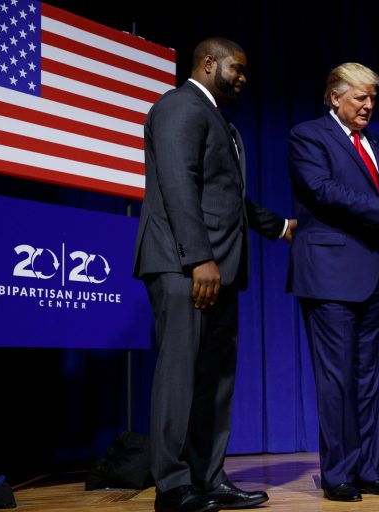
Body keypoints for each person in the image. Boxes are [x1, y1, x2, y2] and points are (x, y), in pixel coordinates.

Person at [133, 37, 296, 512]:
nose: (243, 78)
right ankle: (173, 486)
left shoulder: (218, 120)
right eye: (237, 69)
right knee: (180, 376)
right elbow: (178, 182)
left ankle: (209, 478)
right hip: (186, 265)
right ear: (209, 63)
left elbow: (225, 198)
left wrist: (281, 227)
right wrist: (197, 257)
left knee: (216, 379)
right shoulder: (179, 106)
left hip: (218, 268)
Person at [287, 63, 379, 502]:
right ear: (334, 97)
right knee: (337, 380)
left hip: (376, 274)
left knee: (367, 378)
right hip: (329, 277)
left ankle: (370, 471)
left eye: (372, 98)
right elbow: (321, 190)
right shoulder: (308, 136)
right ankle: (339, 475)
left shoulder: (378, 143)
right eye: (360, 97)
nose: (369, 105)